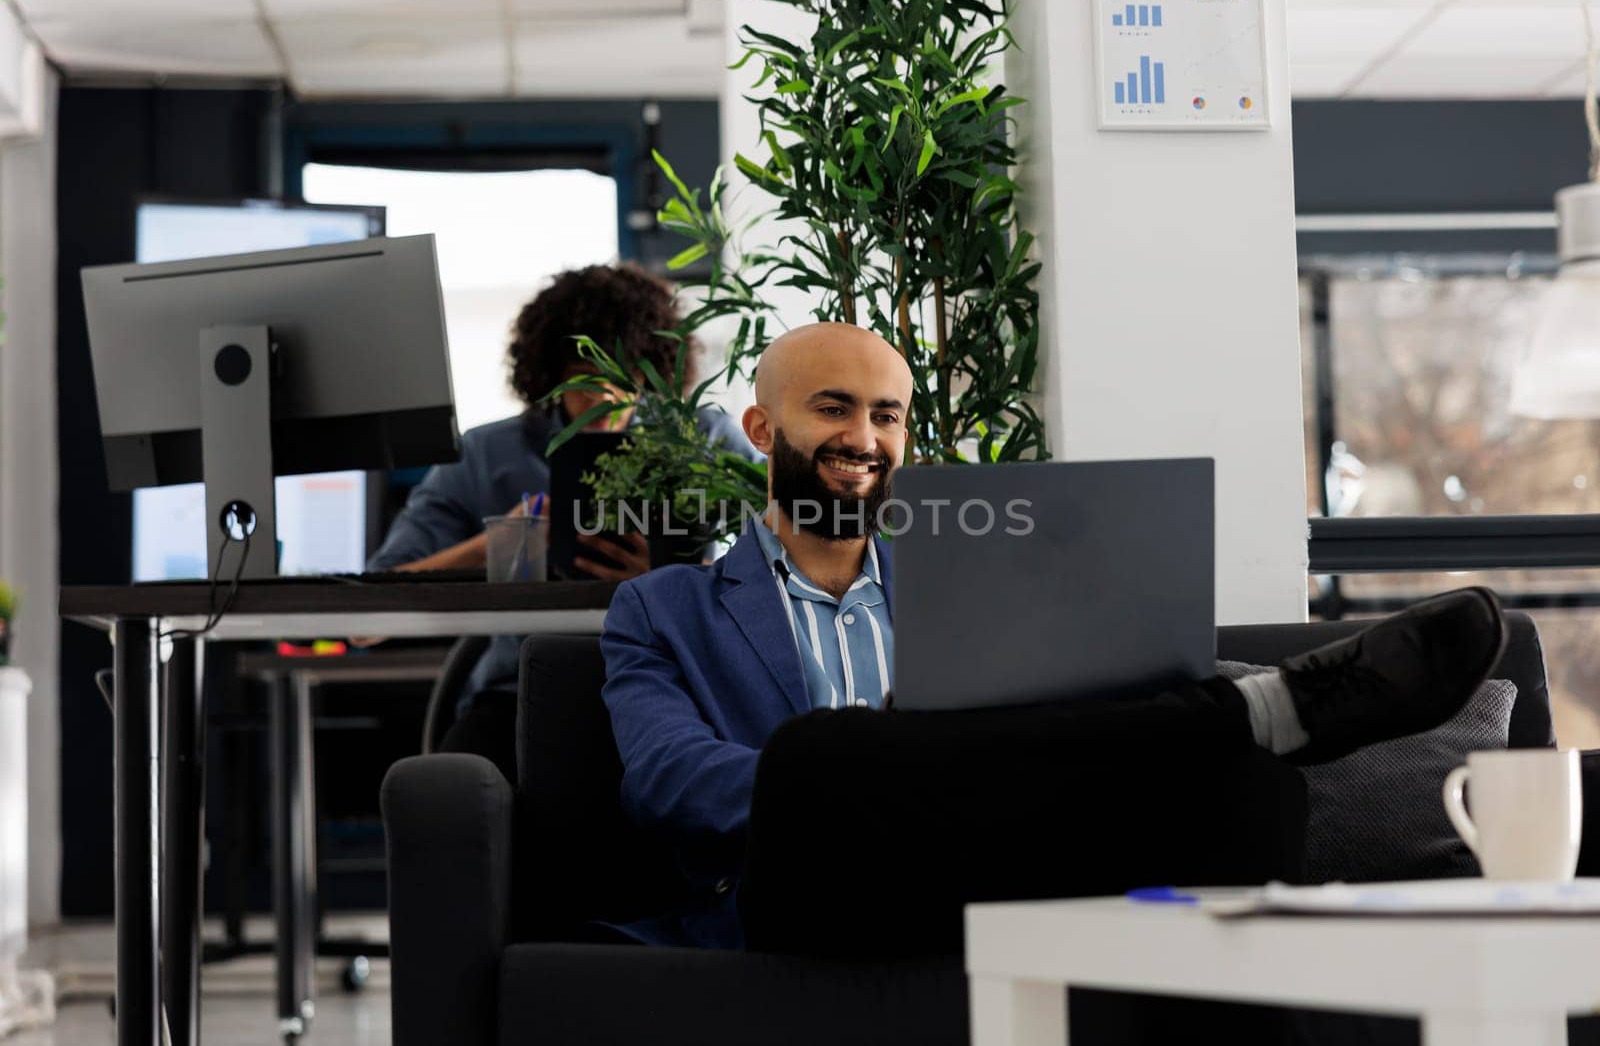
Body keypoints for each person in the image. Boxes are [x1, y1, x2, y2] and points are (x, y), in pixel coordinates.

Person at [598, 321, 1509, 950]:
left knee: (1248, 787)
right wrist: (889, 764)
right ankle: (1255, 708)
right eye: (834, 408)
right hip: (806, 876)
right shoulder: (663, 608)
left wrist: (952, 773)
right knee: (825, 755)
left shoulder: (974, 582)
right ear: (763, 428)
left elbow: (1053, 744)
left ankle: (1253, 726)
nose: (866, 437)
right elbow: (667, 779)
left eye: (888, 415)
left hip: (991, 858)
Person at [368, 263, 755, 779]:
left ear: (653, 374)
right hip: (521, 693)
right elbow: (370, 618)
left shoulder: (705, 441)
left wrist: (665, 585)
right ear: (549, 377)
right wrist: (498, 544)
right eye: (584, 380)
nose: (605, 398)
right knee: (448, 786)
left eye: (627, 378)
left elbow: (785, 576)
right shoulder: (487, 455)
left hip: (674, 680)